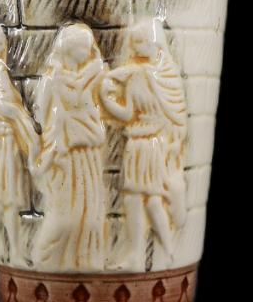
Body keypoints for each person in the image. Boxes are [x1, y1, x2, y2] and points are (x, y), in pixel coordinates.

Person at [99, 19, 187, 271]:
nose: (134, 47)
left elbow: (176, 114)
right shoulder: (136, 74)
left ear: (154, 43)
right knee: (137, 200)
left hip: (153, 145)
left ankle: (167, 252)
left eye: (139, 41)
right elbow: (128, 114)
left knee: (150, 200)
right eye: (134, 42)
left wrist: (173, 143)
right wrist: (106, 98)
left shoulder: (164, 76)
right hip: (137, 144)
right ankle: (142, 255)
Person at [31, 23, 108, 271]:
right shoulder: (52, 80)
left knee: (90, 213)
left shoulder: (91, 78)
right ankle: (47, 260)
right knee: (65, 215)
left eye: (89, 47)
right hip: (63, 156)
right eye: (84, 47)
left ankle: (85, 261)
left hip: (88, 155)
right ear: (70, 49)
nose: (89, 52)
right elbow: (42, 115)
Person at [0, 23, 38, 263]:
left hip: (7, 142)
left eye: (3, 41)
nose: (1, 45)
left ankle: (11, 249)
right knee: (5, 200)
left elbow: (0, 107)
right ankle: (10, 250)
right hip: (1, 142)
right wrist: (16, 116)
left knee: (5, 201)